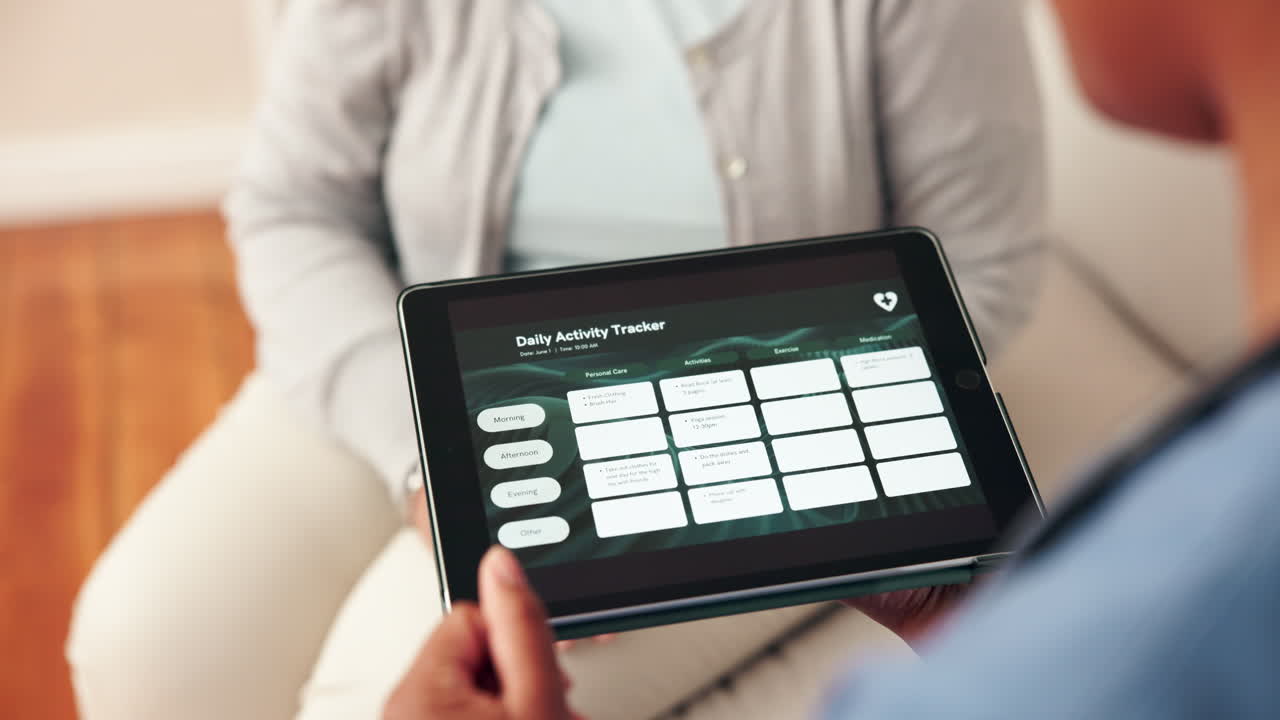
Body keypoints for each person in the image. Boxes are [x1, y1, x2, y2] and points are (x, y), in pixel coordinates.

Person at [65, 1, 1045, 718]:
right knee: (150, 645)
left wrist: (712, 449)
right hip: (406, 357)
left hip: (730, 420)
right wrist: (424, 455)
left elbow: (982, 271)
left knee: (374, 695)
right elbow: (295, 208)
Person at [383, 0, 1280, 717]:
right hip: (412, 376)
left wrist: (1006, 651)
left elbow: (983, 267)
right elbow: (294, 199)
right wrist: (979, 620)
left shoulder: (1133, 631)